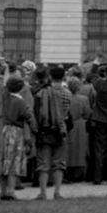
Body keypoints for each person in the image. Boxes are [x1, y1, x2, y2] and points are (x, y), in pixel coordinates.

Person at [33, 64, 73, 201]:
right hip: (61, 130)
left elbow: (36, 112)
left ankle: (43, 192)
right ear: (64, 77)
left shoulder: (41, 93)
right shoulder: (68, 94)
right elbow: (68, 113)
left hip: (44, 130)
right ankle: (57, 192)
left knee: (43, 163)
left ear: (50, 77)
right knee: (59, 163)